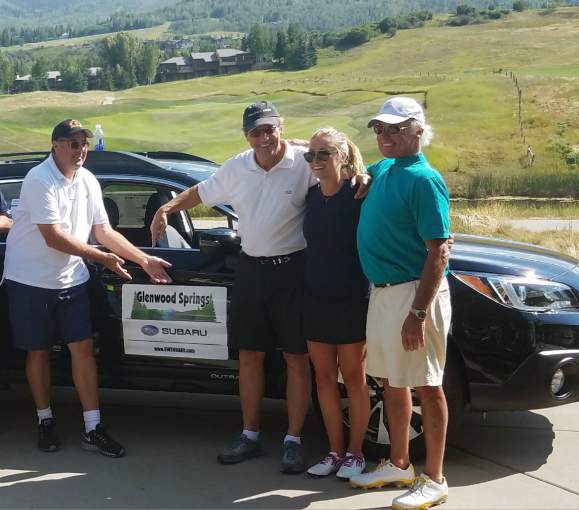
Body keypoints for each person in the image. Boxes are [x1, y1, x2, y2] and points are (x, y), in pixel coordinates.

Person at [150, 101, 316, 474]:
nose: (264, 137)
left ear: (281, 127)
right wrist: (167, 209)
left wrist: (365, 178)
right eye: (256, 131)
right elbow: (199, 193)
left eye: (269, 129)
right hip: (252, 271)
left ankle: (293, 441)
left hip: (293, 271)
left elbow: (343, 168)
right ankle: (250, 435)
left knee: (295, 358)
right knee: (250, 356)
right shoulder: (238, 166)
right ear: (246, 136)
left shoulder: (305, 162)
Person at [2, 119, 172, 457]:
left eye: (84, 143)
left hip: (72, 280)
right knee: (38, 353)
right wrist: (101, 258)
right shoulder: (39, 179)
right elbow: (53, 237)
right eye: (74, 143)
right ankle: (44, 419)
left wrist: (142, 259)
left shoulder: (88, 180)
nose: (81, 150)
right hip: (30, 281)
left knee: (82, 349)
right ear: (56, 145)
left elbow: (104, 230)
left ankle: (93, 427)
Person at [349, 97, 452, 510]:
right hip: (385, 291)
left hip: (414, 294)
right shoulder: (387, 168)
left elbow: (438, 251)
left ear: (417, 131)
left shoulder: (424, 179)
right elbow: (351, 163)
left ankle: (436, 478)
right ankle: (399, 463)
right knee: (393, 381)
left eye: (394, 128)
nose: (385, 136)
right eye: (379, 129)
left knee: (428, 385)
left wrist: (418, 312)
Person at [303, 128, 370, 481]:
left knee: (355, 379)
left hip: (350, 299)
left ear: (343, 156)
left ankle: (356, 454)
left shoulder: (360, 193)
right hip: (314, 298)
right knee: (324, 379)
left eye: (324, 154)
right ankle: (334, 451)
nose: (316, 161)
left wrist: (366, 173)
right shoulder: (311, 196)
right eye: (311, 155)